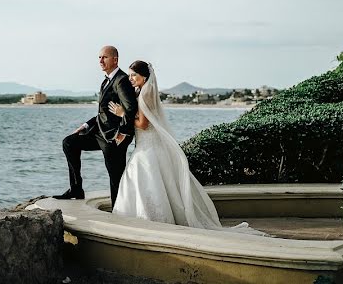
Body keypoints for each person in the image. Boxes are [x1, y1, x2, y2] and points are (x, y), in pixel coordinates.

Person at [108, 61, 265, 234]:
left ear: (144, 76)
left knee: (142, 177)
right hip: (149, 144)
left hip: (148, 144)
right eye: (129, 75)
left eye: (133, 75)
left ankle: (151, 220)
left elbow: (143, 125)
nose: (130, 78)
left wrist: (123, 114)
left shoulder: (145, 93)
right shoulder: (145, 90)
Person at [53, 45, 139, 207]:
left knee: (115, 176)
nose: (100, 60)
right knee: (69, 143)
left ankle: (119, 209)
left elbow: (131, 109)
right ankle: (76, 189)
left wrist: (124, 134)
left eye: (104, 57)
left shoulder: (121, 81)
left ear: (115, 59)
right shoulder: (106, 81)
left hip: (114, 137)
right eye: (99, 57)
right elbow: (104, 113)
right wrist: (86, 125)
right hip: (99, 132)